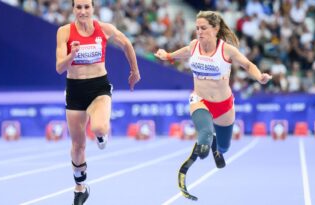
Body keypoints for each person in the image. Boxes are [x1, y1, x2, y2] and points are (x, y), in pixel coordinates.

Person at [155, 10, 272, 200]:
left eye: (203, 28)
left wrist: (260, 77)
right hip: (200, 100)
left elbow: (248, 65)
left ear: (215, 29)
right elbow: (180, 54)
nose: (199, 32)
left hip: (224, 105)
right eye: (197, 28)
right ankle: (207, 141)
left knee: (224, 148)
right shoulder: (194, 46)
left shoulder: (226, 50)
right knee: (203, 143)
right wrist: (166, 55)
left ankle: (217, 145)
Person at [55, 0, 140, 204]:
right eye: (79, 7)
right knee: (78, 145)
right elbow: (59, 67)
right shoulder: (64, 32)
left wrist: (134, 71)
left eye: (87, 7)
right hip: (75, 90)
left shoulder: (104, 29)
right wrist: (72, 55)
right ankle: (80, 188)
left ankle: (102, 135)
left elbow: (127, 44)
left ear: (93, 9)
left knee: (100, 128)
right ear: (73, 9)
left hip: (99, 88)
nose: (83, 11)